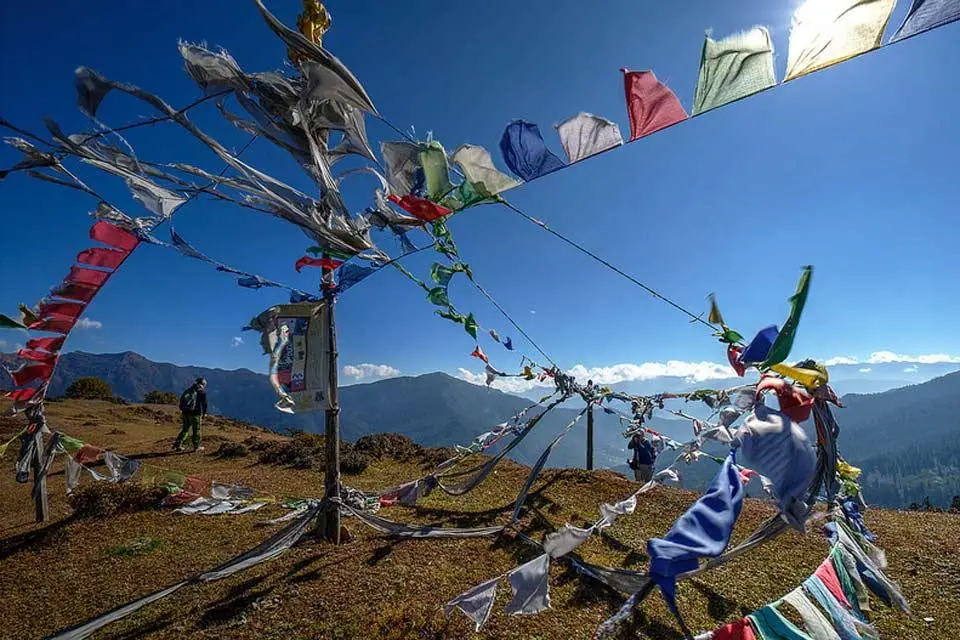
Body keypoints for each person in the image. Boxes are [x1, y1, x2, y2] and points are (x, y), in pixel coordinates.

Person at [174, 378, 208, 452]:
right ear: (203, 384)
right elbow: (204, 404)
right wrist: (204, 413)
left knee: (185, 429)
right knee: (196, 430)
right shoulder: (202, 392)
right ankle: (196, 446)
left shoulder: (189, 390)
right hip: (195, 414)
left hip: (185, 413)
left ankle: (178, 444)